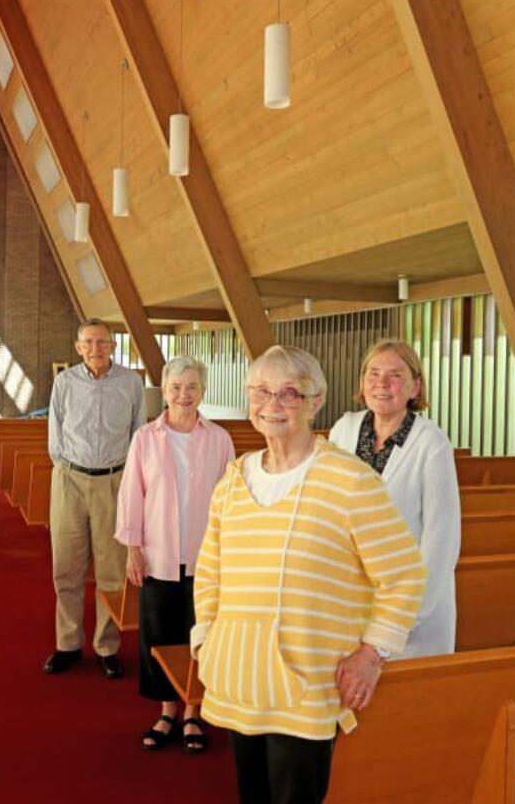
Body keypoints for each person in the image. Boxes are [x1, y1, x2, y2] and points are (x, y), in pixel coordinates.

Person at [192, 345, 427, 804]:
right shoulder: (233, 481)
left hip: (309, 681)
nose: (272, 404)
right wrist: (207, 637)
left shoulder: (350, 482)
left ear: (316, 401)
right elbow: (210, 570)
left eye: (289, 394)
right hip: (242, 675)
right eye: (261, 391)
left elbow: (403, 575)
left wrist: (372, 654)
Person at [115, 356, 235, 753]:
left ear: (203, 391)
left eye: (191, 387)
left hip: (206, 557)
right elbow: (132, 493)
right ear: (164, 392)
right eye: (175, 388)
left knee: (199, 635)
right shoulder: (145, 438)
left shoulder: (219, 439)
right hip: (158, 555)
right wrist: (133, 548)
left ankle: (194, 712)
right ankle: (167, 710)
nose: (183, 395)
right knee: (160, 633)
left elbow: (229, 500)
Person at [328, 339, 460, 658]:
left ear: (415, 387)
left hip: (409, 606)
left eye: (395, 375)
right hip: (348, 597)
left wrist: (406, 615)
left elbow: (441, 539)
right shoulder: (343, 431)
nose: (382, 383)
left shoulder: (431, 444)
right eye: (373, 373)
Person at [44, 318, 145, 679]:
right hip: (69, 479)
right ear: (78, 347)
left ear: (114, 347)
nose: (96, 349)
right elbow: (55, 431)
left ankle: (107, 646)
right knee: (67, 567)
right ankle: (67, 643)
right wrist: (67, 468)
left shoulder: (131, 383)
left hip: (114, 483)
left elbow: (138, 432)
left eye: (103, 342)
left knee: (112, 570)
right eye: (89, 342)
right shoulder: (64, 382)